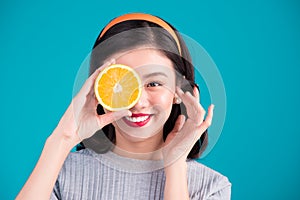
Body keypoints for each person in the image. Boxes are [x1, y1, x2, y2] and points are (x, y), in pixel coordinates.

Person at [16, 13, 231, 200]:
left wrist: (175, 167)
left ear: (179, 92)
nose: (137, 102)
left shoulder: (211, 187)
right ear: (98, 88)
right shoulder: (57, 174)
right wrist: (61, 140)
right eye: (121, 84)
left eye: (153, 83)